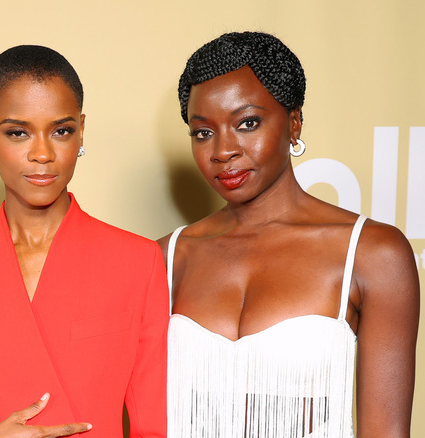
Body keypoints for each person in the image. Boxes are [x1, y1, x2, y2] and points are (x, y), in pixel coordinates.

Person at [160, 31, 419, 438]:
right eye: (203, 132)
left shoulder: (371, 252)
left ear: (293, 123)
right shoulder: (167, 258)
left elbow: (386, 431)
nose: (222, 151)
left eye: (247, 123)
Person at [0, 45, 169, 438]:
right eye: (18, 132)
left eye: (61, 131)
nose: (42, 154)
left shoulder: (138, 260)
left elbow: (154, 425)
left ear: (81, 131)